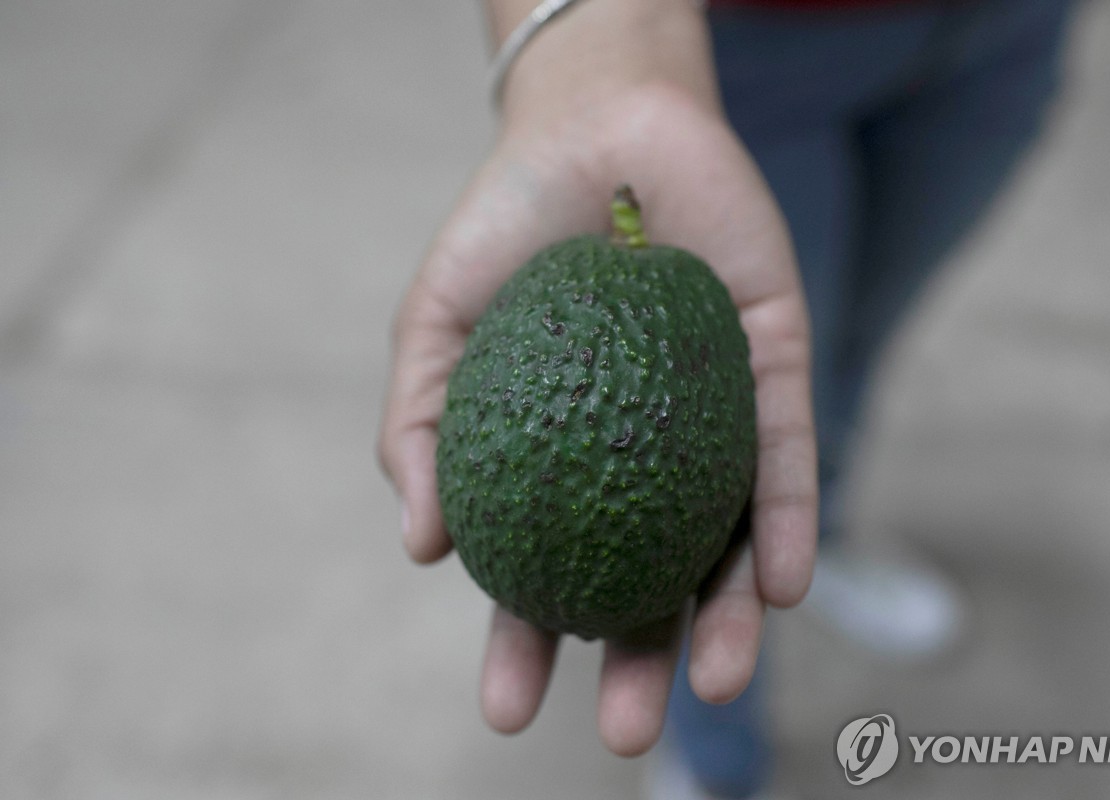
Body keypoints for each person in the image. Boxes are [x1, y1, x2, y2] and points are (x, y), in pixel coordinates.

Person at [380, 0, 1073, 797]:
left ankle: (831, 531)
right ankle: (716, 764)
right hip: (736, 44)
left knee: (848, 336)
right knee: (749, 441)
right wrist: (596, 45)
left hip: (1009, 29)